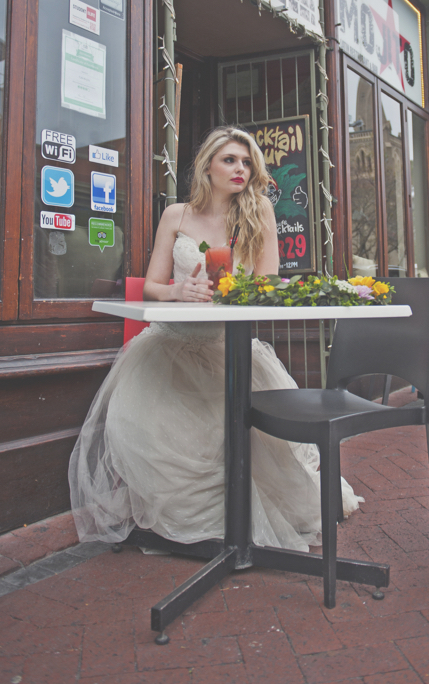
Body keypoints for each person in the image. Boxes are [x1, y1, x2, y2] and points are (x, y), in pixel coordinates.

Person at [69, 126, 362, 551]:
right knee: (167, 431)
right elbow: (151, 286)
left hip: (229, 348)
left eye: (246, 162)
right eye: (230, 160)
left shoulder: (259, 211)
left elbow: (268, 284)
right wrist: (177, 290)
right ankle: (189, 527)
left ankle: (233, 524)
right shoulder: (176, 215)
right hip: (169, 347)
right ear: (208, 165)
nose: (240, 168)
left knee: (241, 435)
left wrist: (238, 291)